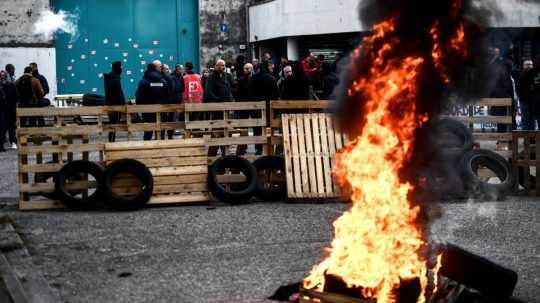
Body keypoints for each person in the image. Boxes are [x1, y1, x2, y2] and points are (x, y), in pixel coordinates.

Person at [250, 60, 278, 155]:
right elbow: (275, 94)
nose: (272, 68)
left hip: (256, 107)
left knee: (257, 128)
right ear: (267, 67)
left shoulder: (253, 78)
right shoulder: (271, 79)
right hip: (268, 107)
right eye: (271, 67)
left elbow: (250, 93)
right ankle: (268, 147)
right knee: (268, 127)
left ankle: (258, 148)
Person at [135, 63, 170, 140]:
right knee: (160, 132)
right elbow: (167, 96)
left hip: (147, 112)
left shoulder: (143, 81)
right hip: (161, 110)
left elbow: (139, 96)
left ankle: (147, 149)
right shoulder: (163, 81)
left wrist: (139, 110)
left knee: (148, 132)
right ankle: (161, 148)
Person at [488, 47, 514, 133]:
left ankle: (508, 143)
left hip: (508, 101)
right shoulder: (493, 67)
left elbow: (510, 64)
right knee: (501, 124)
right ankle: (501, 143)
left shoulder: (506, 65)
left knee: (511, 124)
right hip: (499, 101)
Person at [104, 61, 126, 142]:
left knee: (113, 124)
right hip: (115, 106)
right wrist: (123, 103)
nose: (122, 69)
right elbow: (118, 93)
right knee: (114, 124)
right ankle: (112, 142)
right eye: (121, 67)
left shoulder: (112, 77)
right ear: (118, 68)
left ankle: (112, 141)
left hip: (112, 105)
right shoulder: (115, 79)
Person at [0, 71, 17, 149]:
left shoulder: (10, 86)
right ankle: (9, 142)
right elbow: (17, 97)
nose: (2, 78)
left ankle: (11, 142)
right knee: (7, 127)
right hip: (6, 109)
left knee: (8, 127)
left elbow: (16, 96)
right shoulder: (11, 85)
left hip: (8, 109)